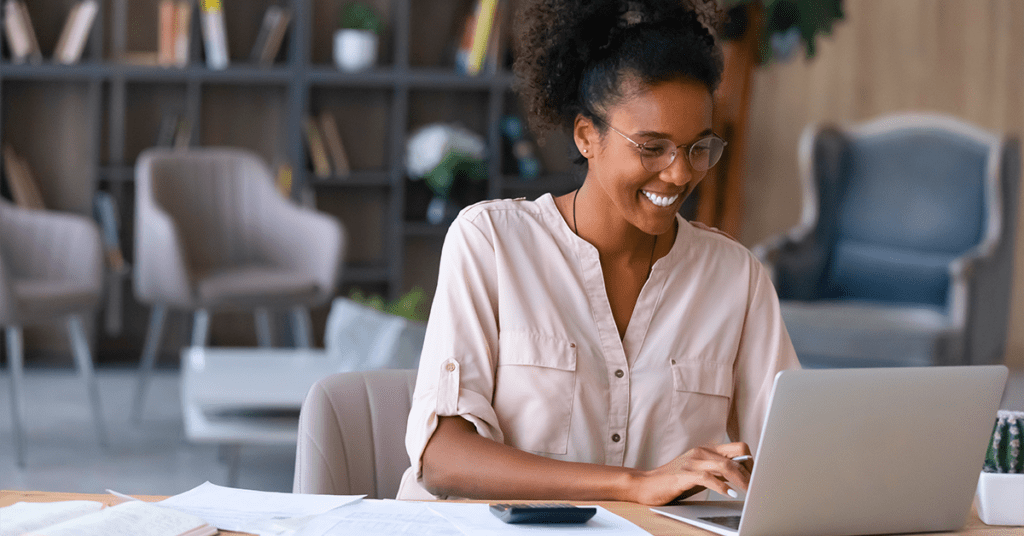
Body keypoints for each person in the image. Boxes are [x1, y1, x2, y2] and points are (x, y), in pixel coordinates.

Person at [397, 0, 799, 505]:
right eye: (652, 147)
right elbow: (441, 460)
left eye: (698, 147)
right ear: (588, 136)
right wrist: (635, 485)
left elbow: (789, 458)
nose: (679, 174)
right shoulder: (491, 243)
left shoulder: (735, 278)